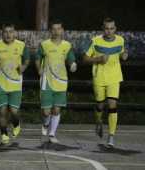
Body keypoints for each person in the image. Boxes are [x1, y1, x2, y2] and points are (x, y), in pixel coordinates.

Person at [83, 17, 128, 147]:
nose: (109, 31)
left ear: (115, 29)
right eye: (106, 28)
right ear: (103, 29)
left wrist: (124, 55)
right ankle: (98, 121)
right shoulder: (95, 41)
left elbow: (122, 52)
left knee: (112, 105)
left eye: (111, 28)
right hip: (99, 78)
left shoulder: (120, 40)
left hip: (114, 77)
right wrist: (98, 59)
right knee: (100, 105)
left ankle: (111, 136)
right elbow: (85, 58)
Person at [35, 20, 77, 143]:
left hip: (61, 81)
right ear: (50, 31)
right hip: (46, 81)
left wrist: (73, 64)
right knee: (46, 111)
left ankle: (52, 134)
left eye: (59, 29)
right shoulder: (44, 44)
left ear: (62, 30)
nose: (56, 31)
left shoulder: (67, 45)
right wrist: (39, 69)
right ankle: (45, 124)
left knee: (57, 109)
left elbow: (71, 58)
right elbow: (37, 58)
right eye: (53, 29)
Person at [0, 23, 30, 144]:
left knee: (14, 111)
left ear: (14, 33)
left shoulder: (21, 45)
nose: (8, 34)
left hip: (16, 84)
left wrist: (24, 66)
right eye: (5, 32)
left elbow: (27, 59)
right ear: (2, 33)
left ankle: (16, 124)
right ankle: (4, 134)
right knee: (2, 111)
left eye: (10, 31)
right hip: (0, 83)